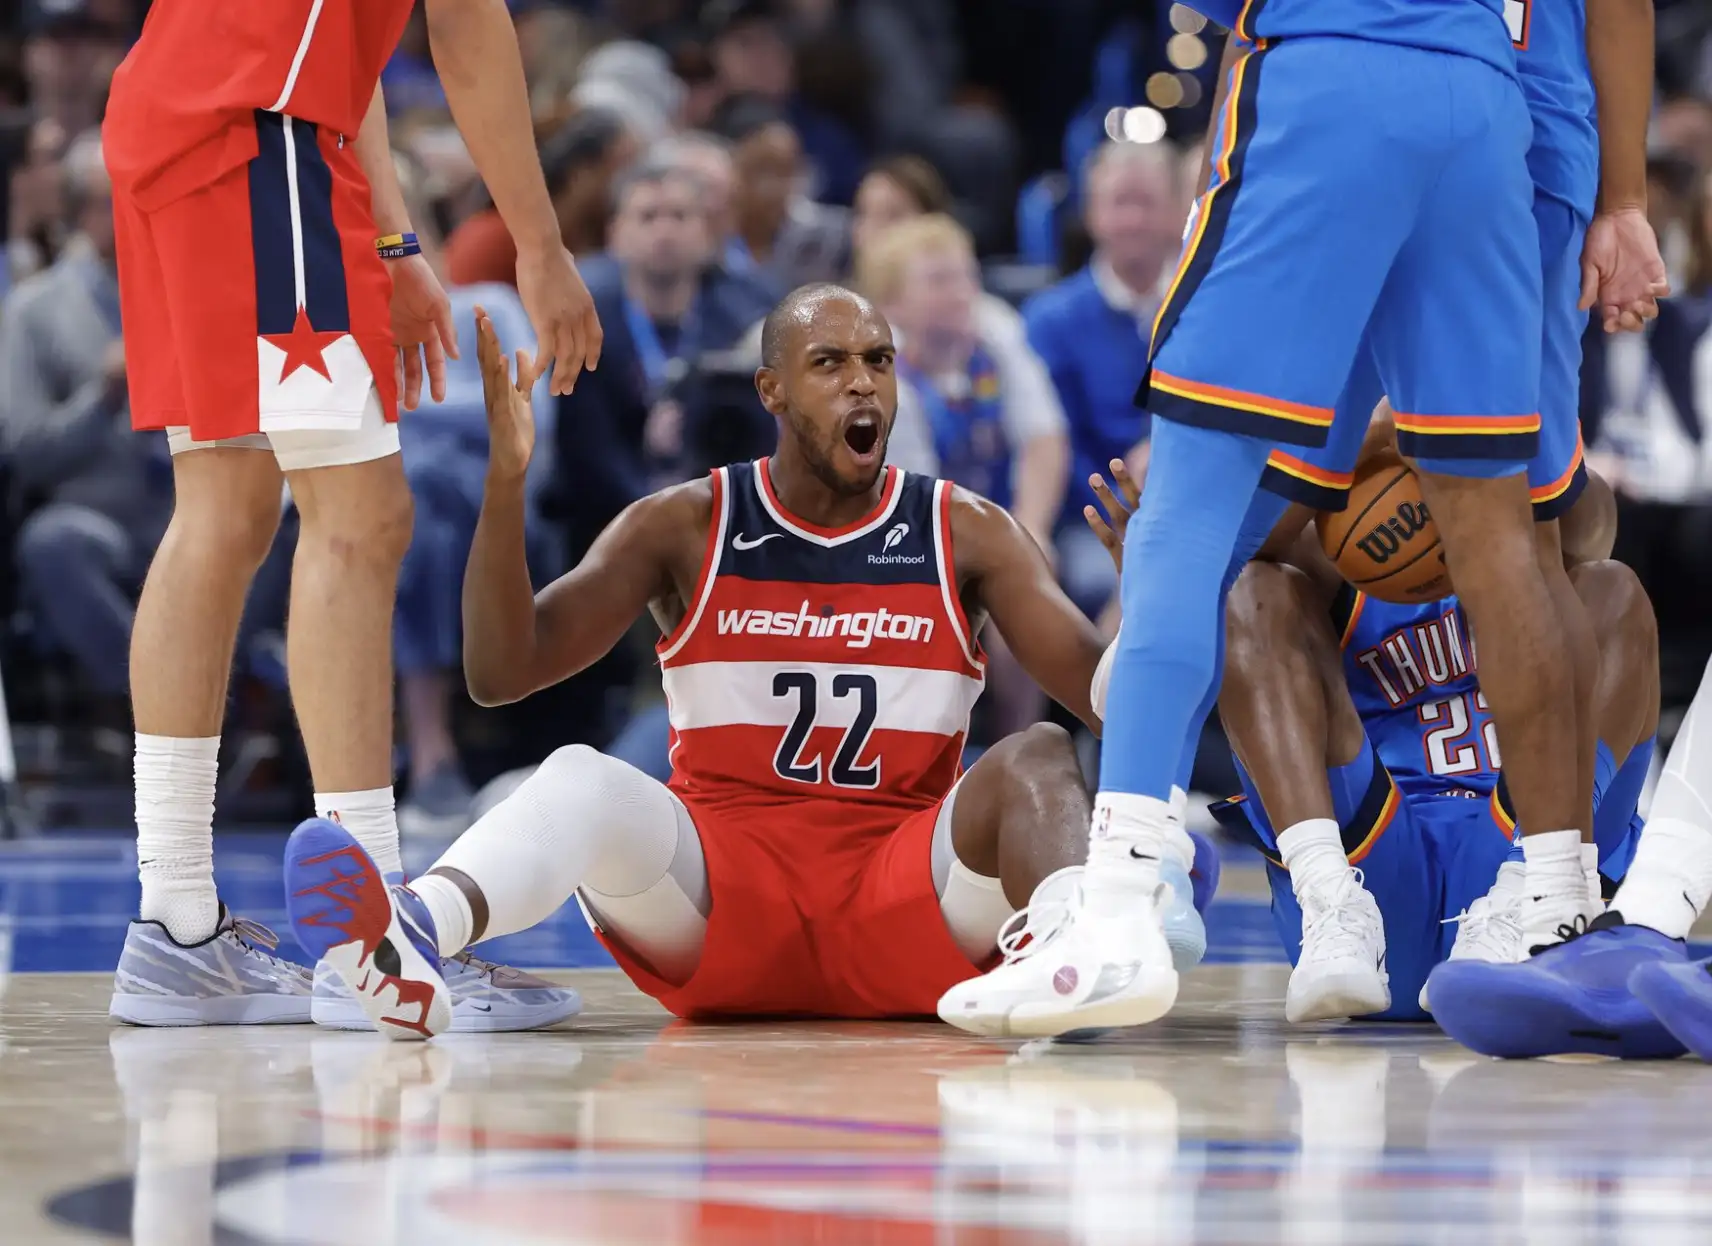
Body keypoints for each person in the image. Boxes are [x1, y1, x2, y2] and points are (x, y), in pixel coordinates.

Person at [941, 0, 1670, 1039]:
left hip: (1327, 80)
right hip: (1495, 108)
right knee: (1507, 535)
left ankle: (1122, 897)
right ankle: (1554, 897)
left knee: (1186, 501)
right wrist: (1624, 199)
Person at [278, 285, 1212, 1039]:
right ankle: (412, 936)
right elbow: (502, 673)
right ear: (771, 391)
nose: (863, 385)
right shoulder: (686, 524)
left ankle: (1088, 946)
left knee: (1039, 756)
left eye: (879, 361)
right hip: (722, 897)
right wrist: (506, 482)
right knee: (578, 776)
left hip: (902, 889)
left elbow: (1107, 705)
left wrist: (1149, 601)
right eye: (830, 363)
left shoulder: (965, 529)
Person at [101, 0, 602, 1031]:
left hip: (191, 123)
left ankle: (176, 925)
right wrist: (541, 247)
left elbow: (346, 45)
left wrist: (391, 237)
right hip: (264, 137)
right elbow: (462, 25)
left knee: (224, 509)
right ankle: (375, 938)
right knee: (361, 516)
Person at [860, 213, 1069, 738]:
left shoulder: (997, 332)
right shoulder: (879, 376)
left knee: (1023, 597)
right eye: (938, 280)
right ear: (893, 304)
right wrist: (995, 554)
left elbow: (1044, 438)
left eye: (965, 275)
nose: (961, 292)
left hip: (996, 524)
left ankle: (1021, 743)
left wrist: (1031, 528)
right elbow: (911, 495)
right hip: (904, 537)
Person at [0, 132, 166, 727]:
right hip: (100, 520)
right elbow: (25, 449)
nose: (129, 215)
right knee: (53, 542)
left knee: (284, 525)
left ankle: (230, 697)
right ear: (77, 210)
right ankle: (159, 706)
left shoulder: (192, 294)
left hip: (191, 511)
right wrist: (103, 396)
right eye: (110, 201)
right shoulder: (34, 310)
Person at [1023, 141, 1182, 618]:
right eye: (1119, 203)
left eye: (1146, 203)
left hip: (1195, 506)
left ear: (1176, 212)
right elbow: (1054, 445)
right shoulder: (1050, 321)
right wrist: (1122, 500)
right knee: (1124, 573)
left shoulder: (1207, 305)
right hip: (1093, 518)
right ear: (1092, 215)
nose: (1133, 220)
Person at [443, 107, 642, 285]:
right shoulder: (493, 240)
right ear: (581, 175)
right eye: (623, 171)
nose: (635, 185)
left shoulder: (613, 240)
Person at [711, 94, 849, 296]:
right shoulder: (708, 237)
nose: (773, 188)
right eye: (761, 171)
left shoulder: (830, 237)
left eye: (786, 171)